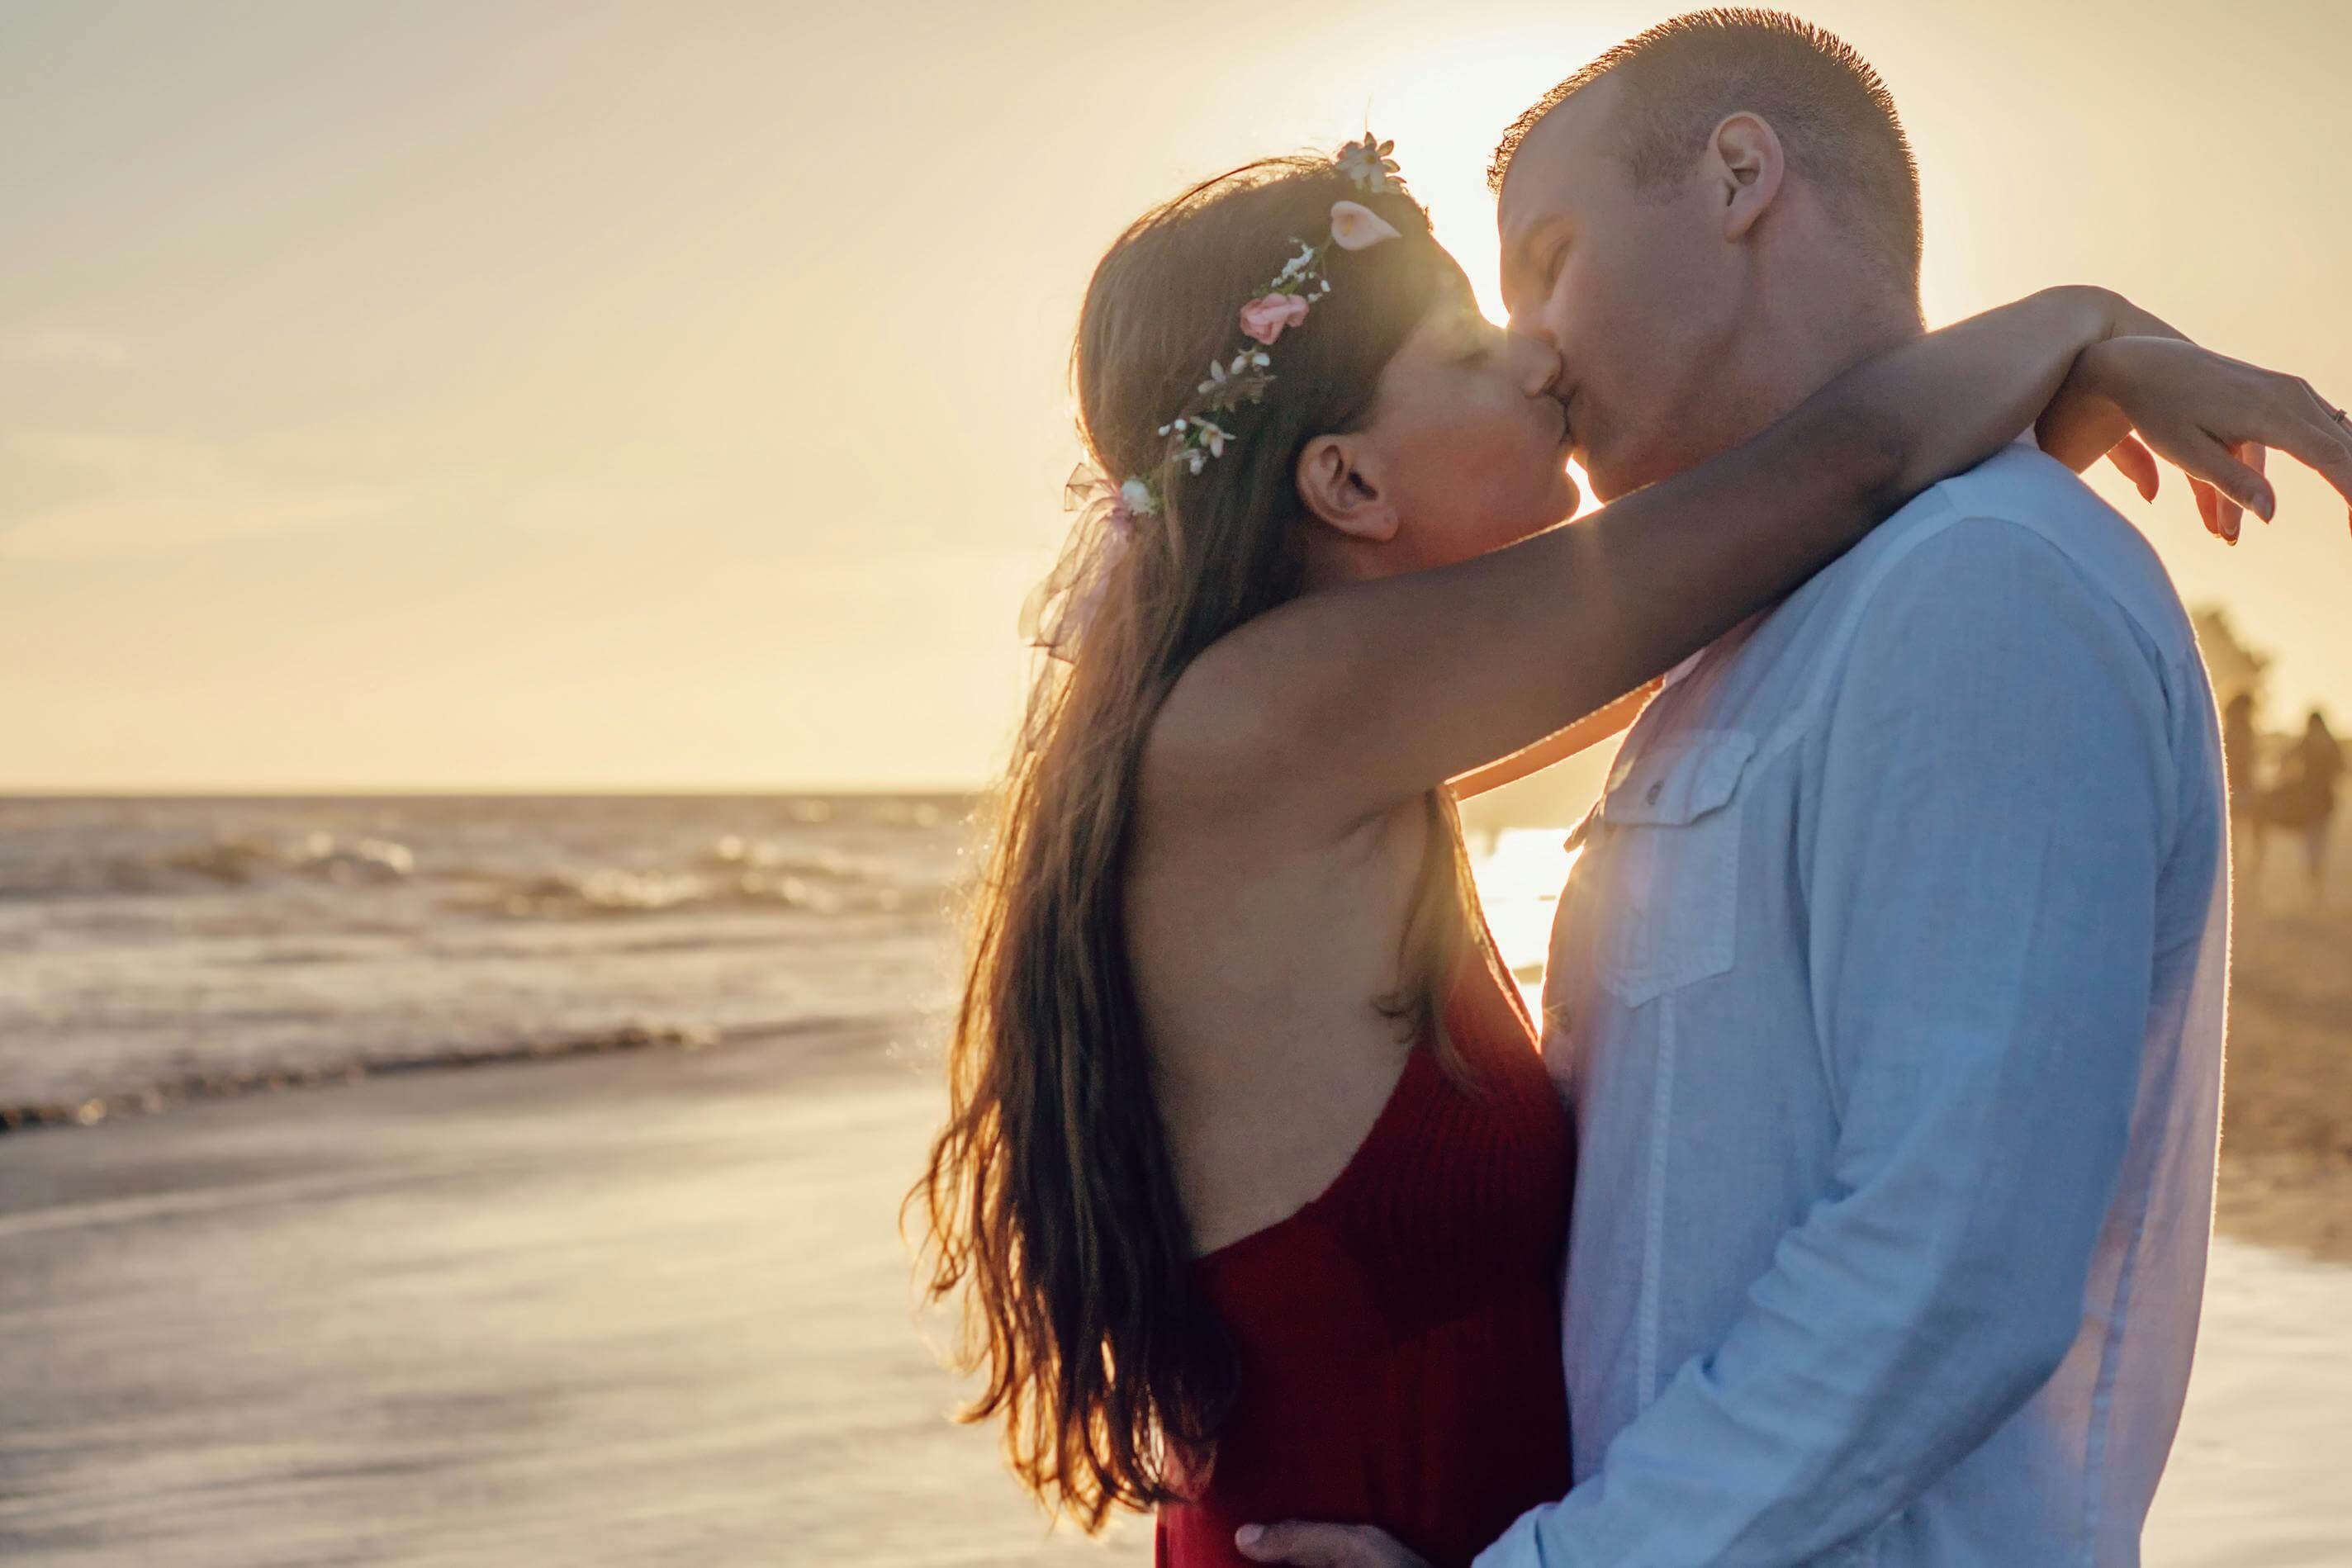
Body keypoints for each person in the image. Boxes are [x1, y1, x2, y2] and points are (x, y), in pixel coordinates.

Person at [909, 113, 2352, 1568]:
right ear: (1346, 482)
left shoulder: (1315, 727)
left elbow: (1747, 572)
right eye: (1472, 347)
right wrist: (2083, 322)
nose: (1536, 355)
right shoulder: (1270, 714)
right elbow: (1837, 470)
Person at [2267, 709, 2344, 904]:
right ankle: (2315, 887)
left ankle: (2314, 886)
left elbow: (2286, 759)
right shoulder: (2329, 744)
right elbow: (2341, 768)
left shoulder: (2308, 742)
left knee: (2313, 844)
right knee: (2317, 844)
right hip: (2321, 802)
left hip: (2314, 802)